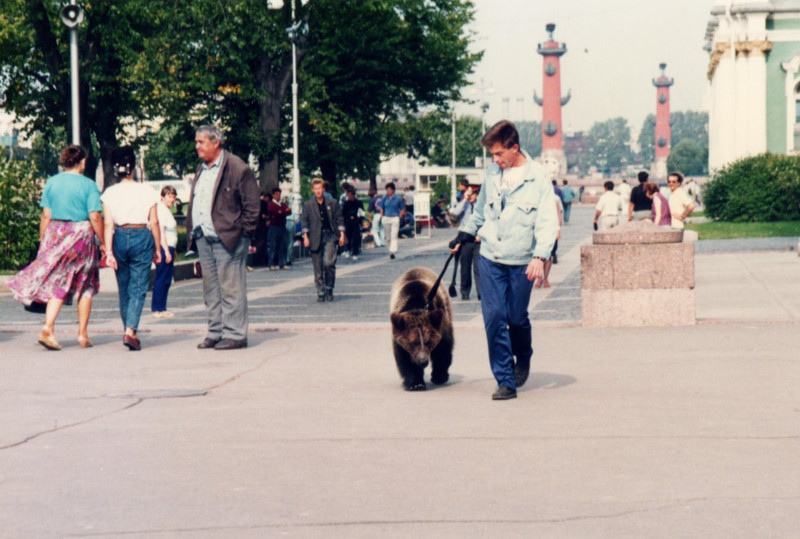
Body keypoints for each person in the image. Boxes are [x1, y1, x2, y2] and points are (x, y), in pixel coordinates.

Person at [450, 120, 558, 401]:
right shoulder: (492, 174)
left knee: (516, 318)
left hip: (523, 260)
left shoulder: (538, 179)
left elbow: (547, 222)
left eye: (499, 154)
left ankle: (523, 355)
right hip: (491, 257)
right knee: (495, 318)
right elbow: (480, 212)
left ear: (514, 148)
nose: (495, 160)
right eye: (492, 155)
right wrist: (465, 234)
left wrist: (540, 256)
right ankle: (505, 380)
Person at [7, 145, 105, 350]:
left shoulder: (52, 182)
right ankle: (81, 335)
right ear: (83, 162)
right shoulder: (89, 185)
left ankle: (49, 327)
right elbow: (95, 216)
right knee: (86, 284)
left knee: (58, 280)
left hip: (55, 233)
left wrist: (44, 241)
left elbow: (46, 215)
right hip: (80, 237)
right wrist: (103, 242)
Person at [186, 125, 260, 351]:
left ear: (216, 142)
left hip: (228, 237)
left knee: (231, 287)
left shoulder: (237, 167)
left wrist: (243, 233)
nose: (197, 146)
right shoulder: (202, 167)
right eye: (197, 142)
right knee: (211, 288)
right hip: (203, 236)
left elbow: (252, 206)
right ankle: (216, 332)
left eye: (201, 142)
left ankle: (235, 334)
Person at [101, 146, 161, 351]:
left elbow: (108, 224)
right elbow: (154, 222)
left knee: (124, 287)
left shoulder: (109, 193)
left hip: (118, 237)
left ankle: (128, 329)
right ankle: (130, 330)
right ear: (134, 167)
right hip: (141, 235)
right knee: (138, 287)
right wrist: (159, 249)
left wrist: (108, 252)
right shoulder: (147, 190)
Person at [302, 178, 346, 301]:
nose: (318, 191)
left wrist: (342, 234)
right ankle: (320, 291)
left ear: (323, 189)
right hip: (315, 237)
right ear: (313, 190)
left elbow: (339, 219)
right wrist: (305, 237)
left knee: (329, 263)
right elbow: (304, 222)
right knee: (317, 266)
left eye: (320, 188)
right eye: (315, 189)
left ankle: (329, 288)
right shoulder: (308, 205)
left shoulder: (332, 203)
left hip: (330, 236)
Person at [449, 188, 481, 300]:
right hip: (465, 240)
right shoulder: (464, 205)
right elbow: (454, 213)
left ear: (477, 195)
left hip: (477, 239)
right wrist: (464, 199)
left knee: (478, 267)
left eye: (472, 194)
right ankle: (465, 292)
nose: (470, 196)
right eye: (468, 194)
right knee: (465, 267)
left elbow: (485, 220)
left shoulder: (480, 205)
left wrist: (480, 235)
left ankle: (480, 292)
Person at [151, 185, 178, 318]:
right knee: (162, 278)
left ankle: (162, 307)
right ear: (162, 197)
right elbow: (161, 232)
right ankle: (157, 309)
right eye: (169, 196)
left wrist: (173, 250)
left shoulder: (167, 211)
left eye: (173, 197)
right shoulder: (160, 210)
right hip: (163, 247)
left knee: (166, 279)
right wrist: (166, 251)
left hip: (169, 247)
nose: (172, 199)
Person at [537, 195, 564, 289]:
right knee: (538, 256)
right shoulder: (535, 196)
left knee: (548, 255)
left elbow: (558, 214)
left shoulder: (554, 199)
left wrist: (558, 229)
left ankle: (545, 278)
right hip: (538, 231)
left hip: (550, 231)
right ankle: (539, 278)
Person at [266, 187, 292, 270]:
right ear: (273, 195)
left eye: (279, 194)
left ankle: (282, 263)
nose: (278, 196)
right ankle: (271, 264)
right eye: (276, 194)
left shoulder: (282, 204)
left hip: (282, 227)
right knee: (273, 246)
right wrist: (283, 211)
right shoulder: (271, 204)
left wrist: (282, 212)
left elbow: (289, 212)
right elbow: (273, 212)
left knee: (283, 245)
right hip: (274, 227)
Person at [380, 181, 405, 259]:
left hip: (394, 218)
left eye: (389, 190)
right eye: (387, 190)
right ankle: (389, 249)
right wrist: (381, 216)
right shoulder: (384, 198)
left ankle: (393, 250)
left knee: (394, 235)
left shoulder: (398, 198)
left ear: (393, 190)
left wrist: (399, 217)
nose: (388, 191)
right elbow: (381, 207)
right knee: (388, 237)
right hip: (386, 217)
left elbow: (402, 209)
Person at [341, 188, 364, 260]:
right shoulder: (346, 203)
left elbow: (361, 212)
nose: (349, 197)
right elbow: (343, 213)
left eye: (350, 195)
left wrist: (360, 221)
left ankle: (355, 252)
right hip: (348, 222)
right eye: (348, 195)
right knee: (348, 236)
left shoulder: (358, 202)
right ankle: (348, 250)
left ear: (353, 195)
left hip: (356, 222)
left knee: (355, 237)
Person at [252, 191, 270, 267]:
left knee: (257, 242)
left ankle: (257, 260)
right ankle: (261, 260)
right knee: (262, 243)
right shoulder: (263, 203)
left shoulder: (254, 203)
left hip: (255, 225)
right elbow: (264, 215)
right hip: (262, 225)